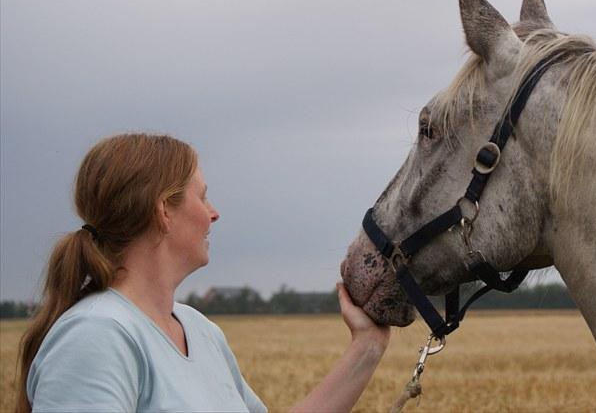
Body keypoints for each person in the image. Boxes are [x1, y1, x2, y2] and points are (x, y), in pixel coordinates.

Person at [17, 133, 390, 413]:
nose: (214, 213)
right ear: (164, 211)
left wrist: (367, 346)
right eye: (203, 196)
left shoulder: (200, 330)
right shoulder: (96, 336)